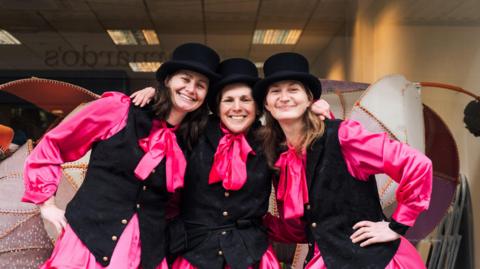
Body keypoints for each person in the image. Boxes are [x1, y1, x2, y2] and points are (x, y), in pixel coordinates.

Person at [22, 43, 220, 269]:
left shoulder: (192, 140)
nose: (191, 89)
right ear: (167, 81)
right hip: (88, 243)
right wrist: (45, 202)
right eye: (185, 79)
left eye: (201, 85)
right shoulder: (119, 109)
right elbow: (54, 143)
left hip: (146, 251)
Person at [256, 52, 433, 269]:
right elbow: (304, 227)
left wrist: (396, 226)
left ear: (310, 98)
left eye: (293, 89)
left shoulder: (343, 136)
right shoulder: (282, 157)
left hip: (374, 261)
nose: (284, 97)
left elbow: (417, 164)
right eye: (275, 91)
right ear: (266, 103)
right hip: (326, 259)